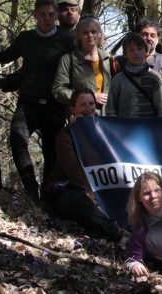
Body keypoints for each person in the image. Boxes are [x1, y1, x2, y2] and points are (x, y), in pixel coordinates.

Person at [0, 0, 73, 202]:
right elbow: (4, 56)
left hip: (54, 105)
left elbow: (81, 66)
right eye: (42, 14)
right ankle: (31, 188)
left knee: (52, 153)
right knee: (17, 138)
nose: (47, 18)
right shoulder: (26, 38)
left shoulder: (67, 40)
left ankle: (47, 197)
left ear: (56, 15)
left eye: (51, 14)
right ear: (35, 15)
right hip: (28, 101)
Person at [41, 89, 126, 240]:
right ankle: (118, 235)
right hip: (68, 189)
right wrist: (91, 193)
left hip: (101, 186)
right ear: (73, 109)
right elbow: (72, 168)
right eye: (83, 105)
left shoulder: (104, 131)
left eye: (91, 104)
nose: (88, 109)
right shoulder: (66, 135)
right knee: (82, 204)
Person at [52, 16, 114, 112]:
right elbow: (58, 91)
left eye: (93, 32)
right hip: (81, 117)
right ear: (79, 35)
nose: (90, 35)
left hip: (107, 118)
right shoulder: (68, 60)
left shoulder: (109, 59)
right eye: (85, 32)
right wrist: (90, 97)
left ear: (99, 34)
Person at [106, 33, 162, 118]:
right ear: (125, 54)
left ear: (146, 51)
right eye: (131, 50)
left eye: (139, 49)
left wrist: (158, 127)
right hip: (124, 129)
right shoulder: (118, 80)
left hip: (149, 129)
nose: (136, 53)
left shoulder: (155, 78)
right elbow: (111, 109)